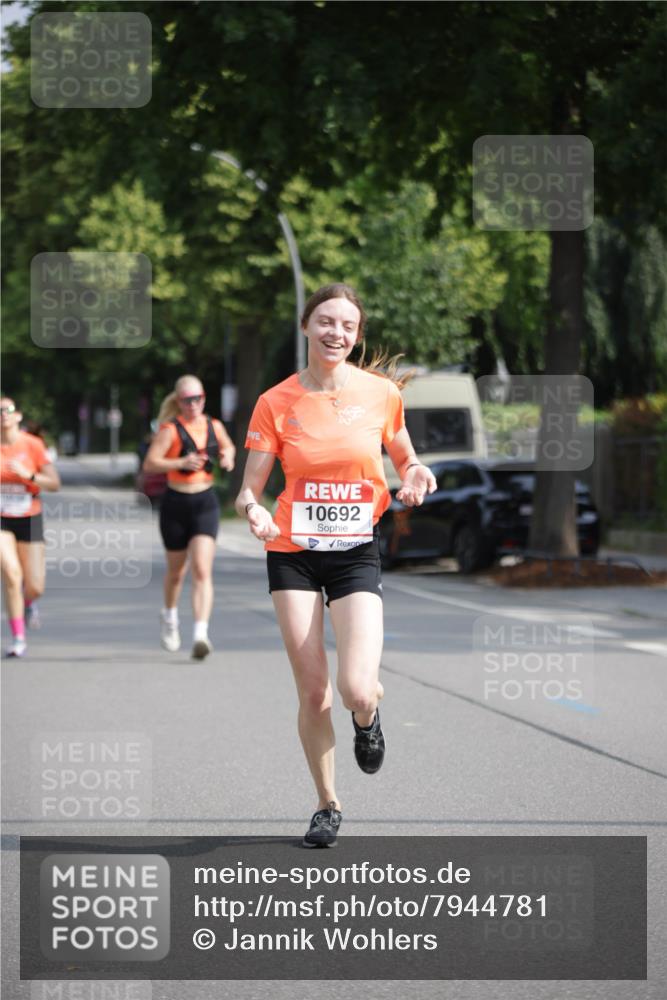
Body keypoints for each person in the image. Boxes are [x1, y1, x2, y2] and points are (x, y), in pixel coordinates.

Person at [235, 283, 436, 847]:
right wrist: (254, 512)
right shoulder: (276, 401)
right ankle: (327, 804)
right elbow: (248, 490)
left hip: (353, 552)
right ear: (305, 326)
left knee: (357, 689)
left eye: (347, 326)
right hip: (292, 551)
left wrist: (416, 471)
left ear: (357, 335)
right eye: (325, 321)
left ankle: (368, 721)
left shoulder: (379, 395)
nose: (335, 334)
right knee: (314, 691)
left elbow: (403, 454)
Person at [143, 375, 235, 660]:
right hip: (176, 502)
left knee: (202, 570)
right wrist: (181, 462)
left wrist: (228, 457)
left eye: (198, 398)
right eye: (187, 400)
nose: (194, 404)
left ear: (204, 398)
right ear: (179, 402)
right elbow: (150, 464)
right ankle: (170, 617)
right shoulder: (169, 430)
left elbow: (228, 446)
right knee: (176, 573)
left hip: (205, 501)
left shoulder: (213, 425)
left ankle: (200, 633)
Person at [1, 396, 60, 657]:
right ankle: (18, 638)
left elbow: (54, 483)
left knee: (35, 586)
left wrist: (29, 475)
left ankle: (29, 603)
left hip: (30, 515)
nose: (3, 414)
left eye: (7, 410)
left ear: (18, 416)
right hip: (2, 517)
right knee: (12, 575)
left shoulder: (33, 445)